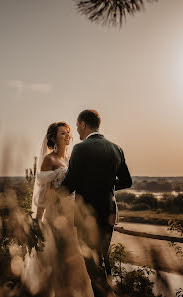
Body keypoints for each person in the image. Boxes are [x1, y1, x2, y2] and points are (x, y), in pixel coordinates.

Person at [61, 110, 132, 297]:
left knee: (92, 263)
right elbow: (127, 181)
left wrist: (54, 194)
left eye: (77, 126)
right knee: (104, 258)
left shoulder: (80, 148)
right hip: (109, 212)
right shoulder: (117, 149)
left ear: (83, 124)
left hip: (86, 215)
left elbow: (70, 184)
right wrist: (106, 185)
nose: (77, 130)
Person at [21, 121, 94, 297]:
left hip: (73, 214)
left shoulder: (70, 159)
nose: (68, 135)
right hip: (56, 214)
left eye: (68, 132)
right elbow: (44, 192)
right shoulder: (49, 159)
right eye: (63, 133)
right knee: (57, 258)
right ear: (53, 138)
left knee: (74, 258)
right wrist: (38, 220)